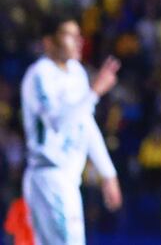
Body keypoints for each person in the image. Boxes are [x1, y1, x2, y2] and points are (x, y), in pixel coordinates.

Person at [20, 17, 122, 245]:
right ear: (49, 42)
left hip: (69, 179)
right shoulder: (40, 75)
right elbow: (56, 122)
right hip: (48, 176)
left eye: (79, 35)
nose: (79, 41)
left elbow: (85, 123)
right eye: (69, 35)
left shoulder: (77, 72)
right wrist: (94, 92)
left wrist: (108, 173)